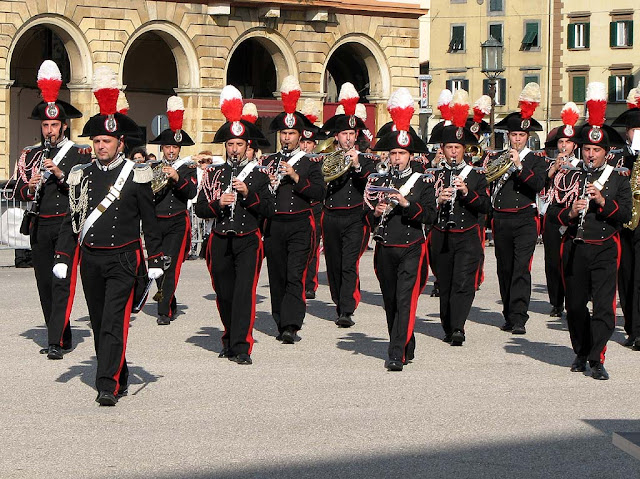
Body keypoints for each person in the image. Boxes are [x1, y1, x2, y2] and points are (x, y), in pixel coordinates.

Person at [53, 66, 164, 405]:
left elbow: (150, 219)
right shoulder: (80, 174)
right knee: (101, 322)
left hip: (123, 259)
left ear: (120, 143)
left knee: (115, 321)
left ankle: (106, 385)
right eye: (97, 141)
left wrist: (156, 260)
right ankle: (120, 372)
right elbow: (73, 220)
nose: (101, 146)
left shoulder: (137, 174)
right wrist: (62, 256)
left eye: (107, 141)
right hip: (92, 258)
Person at [547, 82, 631, 380]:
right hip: (575, 245)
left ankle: (597, 357)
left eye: (596, 149)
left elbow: (625, 214)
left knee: (605, 308)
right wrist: (569, 212)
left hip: (605, 245)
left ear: (605, 152)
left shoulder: (618, 178)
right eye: (587, 149)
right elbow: (552, 211)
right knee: (576, 306)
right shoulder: (569, 174)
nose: (590, 154)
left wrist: (601, 201)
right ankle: (581, 350)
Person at [12, 60, 92, 358]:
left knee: (62, 280)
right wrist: (30, 185)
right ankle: (60, 330)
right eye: (45, 125)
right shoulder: (30, 154)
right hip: (39, 223)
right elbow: (17, 190)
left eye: (54, 125)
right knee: (44, 282)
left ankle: (55, 341)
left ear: (63, 126)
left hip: (65, 225)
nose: (49, 130)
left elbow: (84, 191)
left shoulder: (78, 154)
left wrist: (59, 174)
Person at [195, 86, 274, 364]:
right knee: (224, 293)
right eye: (230, 144)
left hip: (248, 239)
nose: (234, 149)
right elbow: (200, 208)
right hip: (219, 238)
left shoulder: (259, 174)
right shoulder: (213, 172)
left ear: (248, 146)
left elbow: (268, 209)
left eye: (239, 144)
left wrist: (247, 195)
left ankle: (242, 346)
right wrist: (218, 204)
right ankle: (229, 337)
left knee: (244, 294)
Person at [364, 88, 436, 371]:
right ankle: (406, 342)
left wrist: (406, 203)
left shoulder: (423, 181)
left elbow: (429, 215)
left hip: (411, 245)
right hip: (385, 246)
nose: (396, 158)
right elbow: (365, 215)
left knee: (405, 300)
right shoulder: (378, 179)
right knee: (391, 302)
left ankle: (396, 353)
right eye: (393, 153)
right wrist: (375, 212)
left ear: (410, 155)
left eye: (401, 153)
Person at [261, 76, 326, 343]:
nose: (287, 138)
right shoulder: (268, 161)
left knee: (294, 274)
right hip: (275, 225)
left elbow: (319, 192)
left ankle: (292, 323)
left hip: (300, 224)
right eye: (284, 134)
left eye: (291, 134)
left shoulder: (310, 162)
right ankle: (279, 318)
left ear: (300, 137)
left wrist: (296, 178)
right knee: (276, 274)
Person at [428, 90, 490, 345]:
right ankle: (447, 323)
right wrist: (437, 200)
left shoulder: (475, 174)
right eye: (449, 147)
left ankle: (458, 327)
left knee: (463, 282)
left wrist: (466, 192)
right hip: (441, 234)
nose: (453, 152)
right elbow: (422, 206)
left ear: (465, 149)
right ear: (442, 149)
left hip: (467, 235)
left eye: (457, 147)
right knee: (445, 282)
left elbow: (486, 206)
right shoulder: (432, 173)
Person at [490, 83, 547, 335]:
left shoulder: (537, 160)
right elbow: (487, 182)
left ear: (528, 137)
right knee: (505, 268)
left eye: (521, 136)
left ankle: (519, 316)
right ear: (508, 136)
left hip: (525, 218)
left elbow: (537, 183)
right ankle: (508, 314)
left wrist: (519, 167)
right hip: (502, 218)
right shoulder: (497, 157)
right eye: (513, 135)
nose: (517, 139)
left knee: (521, 268)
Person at [321, 82, 375, 327]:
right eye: (345, 134)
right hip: (331, 215)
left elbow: (370, 185)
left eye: (353, 135)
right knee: (333, 263)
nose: (349, 138)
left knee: (348, 263)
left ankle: (347, 309)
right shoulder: (327, 158)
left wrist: (356, 165)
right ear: (337, 136)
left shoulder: (365, 160)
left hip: (355, 217)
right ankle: (338, 301)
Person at [148, 96, 198, 325]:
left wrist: (177, 178)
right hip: (156, 221)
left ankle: (163, 311)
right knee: (157, 264)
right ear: (162, 148)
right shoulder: (153, 167)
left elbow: (191, 192)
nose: (171, 150)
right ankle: (168, 298)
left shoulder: (187, 168)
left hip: (177, 221)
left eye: (174, 147)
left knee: (171, 264)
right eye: (167, 146)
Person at [540, 103, 581, 318]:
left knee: (571, 260)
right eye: (561, 142)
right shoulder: (550, 164)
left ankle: (573, 297)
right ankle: (556, 301)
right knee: (552, 261)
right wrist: (553, 169)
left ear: (574, 145)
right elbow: (542, 187)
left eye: (568, 142)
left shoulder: (581, 165)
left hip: (572, 215)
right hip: (553, 214)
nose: (564, 146)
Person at [612, 87, 640, 350]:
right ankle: (632, 328)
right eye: (634, 131)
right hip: (626, 223)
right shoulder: (621, 157)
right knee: (628, 276)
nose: (637, 135)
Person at [299, 98, 323, 299]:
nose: (306, 146)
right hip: (298, 206)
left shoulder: (319, 161)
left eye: (309, 143)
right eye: (303, 142)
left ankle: (310, 283)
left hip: (315, 207)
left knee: (313, 247)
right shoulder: (293, 160)